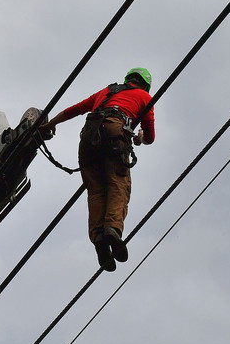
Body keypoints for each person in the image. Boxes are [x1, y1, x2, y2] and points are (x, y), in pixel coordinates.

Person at [42, 67, 155, 272]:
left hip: (89, 137)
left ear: (128, 79)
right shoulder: (144, 97)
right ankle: (112, 228)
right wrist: (139, 138)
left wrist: (49, 124)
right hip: (114, 132)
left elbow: (73, 110)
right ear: (145, 85)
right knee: (118, 184)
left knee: (95, 190)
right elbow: (150, 137)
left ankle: (98, 237)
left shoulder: (106, 91)